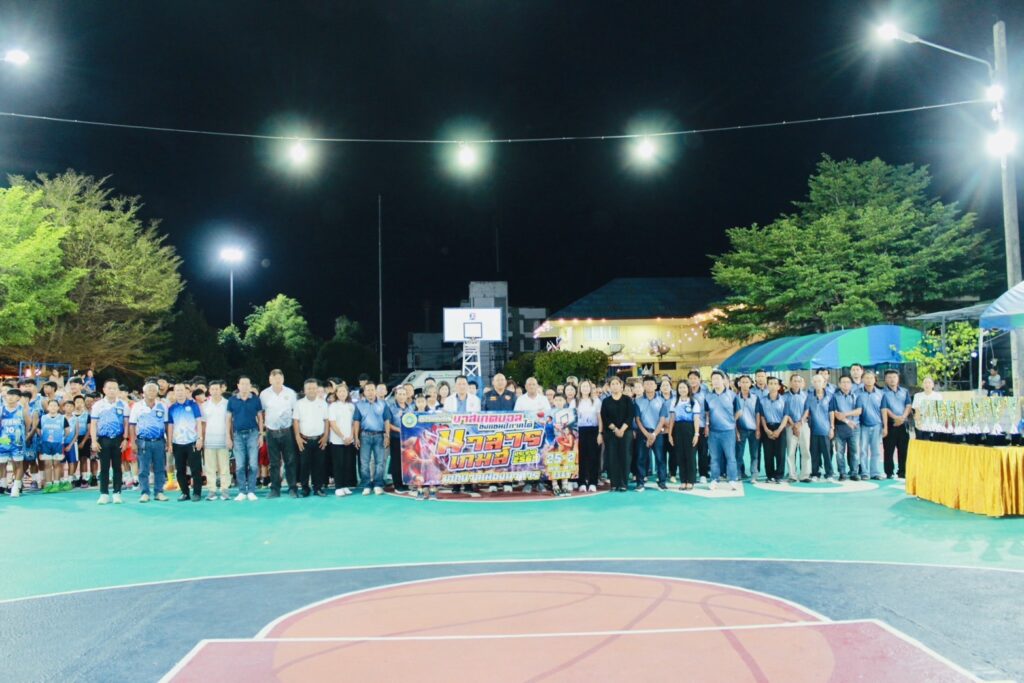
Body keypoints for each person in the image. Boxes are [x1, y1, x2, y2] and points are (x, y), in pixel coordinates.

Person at [90, 379, 130, 505]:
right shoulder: (98, 405)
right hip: (103, 439)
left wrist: (125, 439)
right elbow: (93, 424)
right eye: (109, 388)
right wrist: (94, 441)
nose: (112, 390)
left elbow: (126, 423)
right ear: (104, 390)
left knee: (117, 467)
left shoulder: (123, 405)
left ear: (118, 390)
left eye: (114, 388)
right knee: (104, 467)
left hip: (118, 439)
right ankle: (104, 494)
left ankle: (117, 493)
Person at [128, 382, 169, 503]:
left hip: (159, 441)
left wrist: (168, 441)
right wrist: (133, 442)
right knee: (143, 469)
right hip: (143, 441)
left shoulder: (162, 406)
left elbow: (166, 424)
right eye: (149, 390)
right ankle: (145, 492)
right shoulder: (137, 406)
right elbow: (132, 425)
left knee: (160, 468)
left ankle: (159, 492)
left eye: (154, 390)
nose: (151, 392)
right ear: (144, 392)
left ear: (157, 393)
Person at [260, 369, 298, 498]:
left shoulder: (290, 393)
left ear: (283, 379)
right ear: (270, 380)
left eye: (280, 378)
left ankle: (292, 488)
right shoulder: (264, 394)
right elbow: (261, 412)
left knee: (290, 461)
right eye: (274, 378)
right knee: (274, 462)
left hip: (287, 430)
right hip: (271, 431)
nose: (277, 380)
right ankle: (275, 489)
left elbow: (295, 412)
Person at [227, 375, 264, 502]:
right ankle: (242, 491)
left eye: (247, 384)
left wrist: (261, 435)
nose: (244, 386)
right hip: (237, 435)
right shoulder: (232, 400)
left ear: (250, 386)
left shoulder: (256, 400)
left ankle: (252, 491)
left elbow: (260, 418)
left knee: (253, 464)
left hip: (253, 434)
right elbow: (228, 420)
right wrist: (228, 437)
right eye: (242, 384)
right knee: (240, 465)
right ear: (238, 386)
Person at [167, 382, 204, 502]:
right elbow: (170, 426)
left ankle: (197, 493)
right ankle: (184, 492)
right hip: (177, 443)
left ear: (186, 391)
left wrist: (200, 438)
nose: (179, 392)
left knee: (195, 469)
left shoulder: (193, 405)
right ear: (174, 392)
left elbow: (199, 422)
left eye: (181, 390)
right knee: (180, 470)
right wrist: (170, 443)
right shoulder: (172, 408)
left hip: (192, 441)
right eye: (177, 390)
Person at [514, 377, 552, 493]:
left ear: (537, 386)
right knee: (528, 457)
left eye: (533, 384)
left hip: (541, 433)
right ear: (525, 386)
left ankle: (540, 482)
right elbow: (517, 415)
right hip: (526, 433)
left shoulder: (543, 399)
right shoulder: (521, 400)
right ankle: (528, 482)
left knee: (540, 457)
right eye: (529, 384)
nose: (531, 386)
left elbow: (548, 415)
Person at [353, 382, 392, 496]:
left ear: (375, 391)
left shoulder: (383, 404)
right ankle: (366, 485)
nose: (370, 392)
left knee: (380, 462)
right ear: (364, 392)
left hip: (379, 436)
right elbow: (356, 422)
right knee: (364, 462)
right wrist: (356, 437)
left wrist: (387, 436)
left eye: (372, 390)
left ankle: (378, 484)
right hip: (364, 436)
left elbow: (387, 420)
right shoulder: (359, 405)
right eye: (368, 390)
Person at [704, 371, 741, 490]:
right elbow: (707, 412)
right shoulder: (708, 396)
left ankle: (732, 479)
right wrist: (707, 425)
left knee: (730, 457)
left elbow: (739, 411)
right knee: (714, 458)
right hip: (713, 432)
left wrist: (732, 421)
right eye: (713, 379)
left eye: (718, 378)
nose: (715, 381)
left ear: (724, 380)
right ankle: (714, 479)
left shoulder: (732, 395)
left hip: (728, 432)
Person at [293, 378, 330, 497]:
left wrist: (326, 436)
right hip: (304, 439)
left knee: (319, 465)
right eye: (309, 388)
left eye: (314, 388)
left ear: (317, 389)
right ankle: (305, 488)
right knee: (304, 465)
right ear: (304, 390)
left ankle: (318, 488)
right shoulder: (299, 404)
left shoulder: (323, 403)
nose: (312, 390)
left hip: (319, 439)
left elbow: (326, 421)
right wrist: (297, 437)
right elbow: (296, 421)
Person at [633, 376, 669, 491]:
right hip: (642, 433)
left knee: (660, 458)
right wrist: (647, 434)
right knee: (641, 458)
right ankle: (640, 483)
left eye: (651, 384)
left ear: (655, 386)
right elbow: (637, 420)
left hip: (657, 433)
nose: (649, 386)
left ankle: (662, 482)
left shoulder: (662, 400)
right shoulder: (637, 401)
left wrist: (653, 434)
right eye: (646, 384)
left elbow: (662, 419)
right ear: (643, 386)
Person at [599, 376, 633, 492]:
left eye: (617, 384)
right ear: (609, 387)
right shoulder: (606, 401)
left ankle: (623, 483)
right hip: (611, 433)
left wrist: (622, 430)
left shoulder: (627, 400)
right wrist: (615, 429)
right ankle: (614, 483)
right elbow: (605, 417)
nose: (615, 386)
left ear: (621, 385)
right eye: (612, 384)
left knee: (625, 457)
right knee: (612, 457)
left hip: (626, 432)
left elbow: (630, 416)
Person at [200, 380, 232, 501]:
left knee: (224, 466)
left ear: (221, 390)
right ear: (209, 391)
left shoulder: (227, 403)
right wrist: (202, 439)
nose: (214, 391)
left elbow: (230, 422)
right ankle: (212, 490)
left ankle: (225, 489)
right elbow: (203, 424)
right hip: (209, 440)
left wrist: (230, 438)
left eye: (217, 389)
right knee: (210, 467)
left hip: (223, 439)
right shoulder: (204, 405)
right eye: (212, 389)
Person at [668, 380, 701, 490]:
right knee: (680, 455)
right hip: (677, 429)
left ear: (688, 389)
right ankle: (683, 480)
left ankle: (690, 480)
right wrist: (670, 434)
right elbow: (672, 418)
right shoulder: (674, 401)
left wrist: (696, 434)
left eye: (684, 387)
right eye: (680, 388)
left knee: (690, 455)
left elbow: (696, 418)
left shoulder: (694, 402)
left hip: (690, 429)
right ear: (677, 390)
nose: (682, 390)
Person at [757, 377, 789, 484]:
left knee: (780, 453)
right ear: (767, 385)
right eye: (770, 383)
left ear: (779, 387)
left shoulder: (784, 400)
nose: (773, 385)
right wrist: (766, 429)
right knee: (768, 453)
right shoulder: (762, 400)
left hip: (780, 427)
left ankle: (779, 476)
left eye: (775, 383)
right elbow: (762, 416)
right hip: (767, 428)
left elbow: (786, 416)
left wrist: (779, 430)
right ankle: (770, 475)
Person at [881, 369, 912, 480]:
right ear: (885, 379)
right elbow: (884, 408)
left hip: (903, 424)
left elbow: (908, 405)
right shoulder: (882, 392)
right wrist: (896, 418)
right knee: (889, 450)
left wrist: (902, 417)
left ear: (898, 378)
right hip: (890, 424)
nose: (892, 379)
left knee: (903, 449)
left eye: (894, 377)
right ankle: (889, 472)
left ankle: (902, 471)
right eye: (889, 377)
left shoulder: (904, 391)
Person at [0, 389, 31, 497]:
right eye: (9, 395)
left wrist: (23, 435)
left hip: (17, 441)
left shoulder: (22, 410)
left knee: (18, 464)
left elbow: (28, 424)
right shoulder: (1, 409)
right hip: (4, 440)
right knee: (1, 463)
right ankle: (2, 485)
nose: (10, 397)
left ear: (18, 398)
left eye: (13, 395)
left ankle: (16, 487)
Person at [830, 375, 861, 481]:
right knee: (839, 453)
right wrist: (847, 421)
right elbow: (836, 413)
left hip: (854, 427)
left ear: (851, 384)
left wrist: (846, 414)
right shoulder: (834, 397)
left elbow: (859, 411)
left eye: (848, 382)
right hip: (840, 427)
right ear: (839, 384)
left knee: (854, 452)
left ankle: (854, 472)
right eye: (843, 382)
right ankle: (842, 473)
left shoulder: (856, 396)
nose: (845, 384)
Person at [328, 383, 358, 497]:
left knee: (347, 464)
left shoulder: (351, 406)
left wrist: (351, 436)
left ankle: (345, 486)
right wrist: (343, 437)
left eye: (344, 391)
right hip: (337, 440)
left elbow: (353, 423)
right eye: (339, 391)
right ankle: (338, 487)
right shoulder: (333, 406)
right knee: (338, 464)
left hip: (349, 440)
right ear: (336, 393)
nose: (342, 393)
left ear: (347, 393)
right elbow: (333, 424)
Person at [856, 371, 885, 480]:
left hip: (877, 425)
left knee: (876, 450)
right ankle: (864, 472)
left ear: (875, 379)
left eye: (871, 378)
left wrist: (885, 426)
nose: (869, 380)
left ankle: (875, 472)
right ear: (862, 379)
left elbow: (883, 410)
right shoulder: (857, 393)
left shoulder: (880, 393)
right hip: (862, 425)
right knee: (863, 450)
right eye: (866, 378)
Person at [806, 374, 835, 482]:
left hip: (825, 429)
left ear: (824, 383)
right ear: (812, 384)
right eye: (815, 381)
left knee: (827, 453)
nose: (817, 383)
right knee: (814, 453)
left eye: (819, 381)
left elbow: (831, 412)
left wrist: (832, 427)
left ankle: (829, 474)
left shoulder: (830, 396)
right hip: (813, 430)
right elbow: (806, 412)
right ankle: (815, 473)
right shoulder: (809, 396)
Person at [784, 374, 812, 483]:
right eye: (794, 381)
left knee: (805, 450)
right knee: (791, 451)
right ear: (790, 382)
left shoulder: (806, 395)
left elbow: (807, 410)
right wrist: (793, 424)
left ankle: (805, 475)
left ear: (801, 383)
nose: (796, 383)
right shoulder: (784, 396)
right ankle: (792, 475)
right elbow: (785, 412)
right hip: (789, 426)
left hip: (803, 425)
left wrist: (800, 423)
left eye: (799, 381)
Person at [575, 380, 601, 492]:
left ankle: (593, 482)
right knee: (581, 457)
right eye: (583, 386)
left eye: (587, 386)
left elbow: (600, 418)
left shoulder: (596, 401)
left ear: (590, 388)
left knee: (593, 457)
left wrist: (600, 433)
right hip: (579, 432)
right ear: (579, 388)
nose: (585, 388)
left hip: (593, 430)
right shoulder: (575, 402)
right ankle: (581, 482)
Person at [38, 399, 70, 493]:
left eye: (55, 405)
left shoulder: (62, 418)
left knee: (57, 464)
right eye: (51, 405)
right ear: (47, 407)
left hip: (58, 444)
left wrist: (61, 438)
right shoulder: (43, 418)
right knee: (47, 464)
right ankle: (48, 484)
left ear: (58, 407)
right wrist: (43, 437)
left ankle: (56, 483)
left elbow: (67, 431)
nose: (53, 407)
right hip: (46, 444)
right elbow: (38, 429)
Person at [387, 385, 414, 492]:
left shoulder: (410, 408)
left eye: (404, 394)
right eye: (399, 394)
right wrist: (399, 430)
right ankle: (397, 485)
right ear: (395, 395)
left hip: (408, 440)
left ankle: (405, 483)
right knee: (396, 462)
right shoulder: (391, 407)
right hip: (396, 438)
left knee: (407, 462)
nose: (402, 396)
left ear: (407, 395)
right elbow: (388, 423)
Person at [735, 375, 761, 481]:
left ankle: (754, 474)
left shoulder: (755, 397)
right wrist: (736, 431)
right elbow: (734, 416)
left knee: (754, 454)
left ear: (750, 384)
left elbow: (758, 414)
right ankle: (738, 473)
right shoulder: (735, 398)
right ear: (739, 384)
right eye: (743, 382)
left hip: (753, 430)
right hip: (741, 429)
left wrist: (758, 429)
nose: (745, 384)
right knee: (739, 454)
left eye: (747, 382)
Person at [687, 370, 711, 484]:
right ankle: (691, 474)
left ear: (699, 379)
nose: (693, 380)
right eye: (690, 378)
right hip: (688, 426)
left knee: (703, 451)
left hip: (701, 426)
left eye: (695, 378)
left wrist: (707, 425)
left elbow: (707, 410)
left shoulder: (705, 391)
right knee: (690, 452)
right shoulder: (685, 391)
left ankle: (703, 474)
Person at [912, 376, 943, 441]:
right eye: (925, 383)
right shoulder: (917, 396)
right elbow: (917, 410)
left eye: (929, 382)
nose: (927, 384)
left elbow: (939, 410)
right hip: (921, 423)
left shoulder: (938, 396)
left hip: (934, 423)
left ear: (933, 385)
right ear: (922, 385)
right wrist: (918, 423)